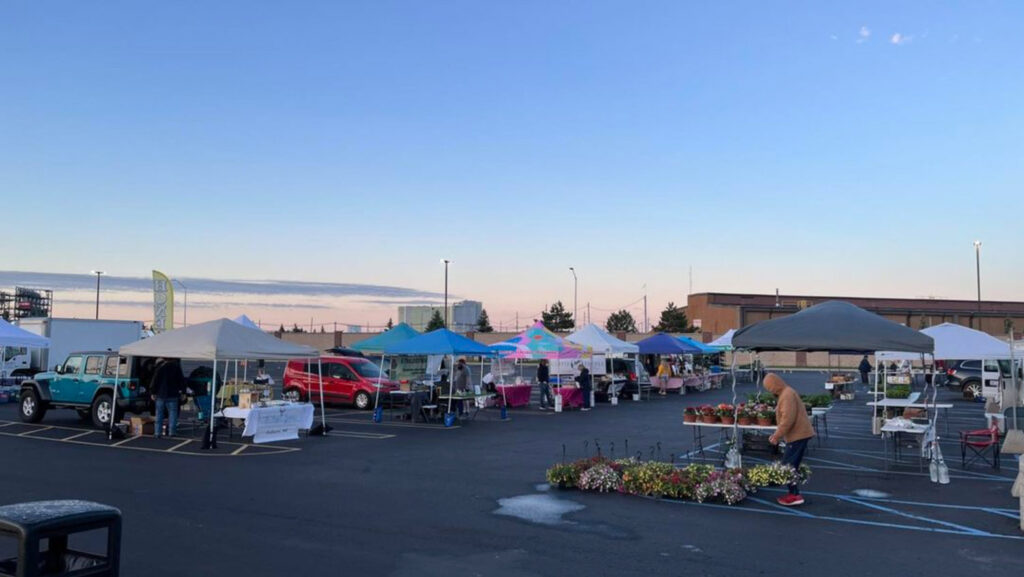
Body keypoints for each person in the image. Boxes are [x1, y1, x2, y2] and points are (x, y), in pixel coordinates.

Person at [765, 373, 815, 506]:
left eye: (770, 388)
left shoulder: (787, 395)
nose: (770, 391)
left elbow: (788, 419)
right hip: (798, 434)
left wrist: (777, 435)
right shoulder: (786, 393)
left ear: (775, 385)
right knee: (792, 465)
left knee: (789, 465)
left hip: (798, 435)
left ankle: (795, 495)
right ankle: (793, 492)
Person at [151, 358, 185, 438]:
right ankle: (172, 432)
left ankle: (157, 433)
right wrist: (183, 392)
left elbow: (155, 380)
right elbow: (181, 380)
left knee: (159, 414)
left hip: (160, 394)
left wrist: (153, 392)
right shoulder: (176, 367)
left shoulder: (160, 367)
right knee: (173, 414)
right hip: (173, 394)